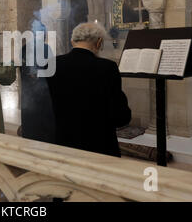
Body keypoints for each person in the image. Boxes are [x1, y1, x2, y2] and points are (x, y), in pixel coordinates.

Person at [47, 22, 131, 157]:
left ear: (72, 41)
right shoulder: (107, 67)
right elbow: (120, 116)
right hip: (99, 144)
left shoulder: (52, 64)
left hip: (64, 141)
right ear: (99, 43)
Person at [19, 21, 56, 143]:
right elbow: (51, 72)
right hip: (41, 95)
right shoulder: (45, 48)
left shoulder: (24, 48)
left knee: (31, 129)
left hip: (30, 95)